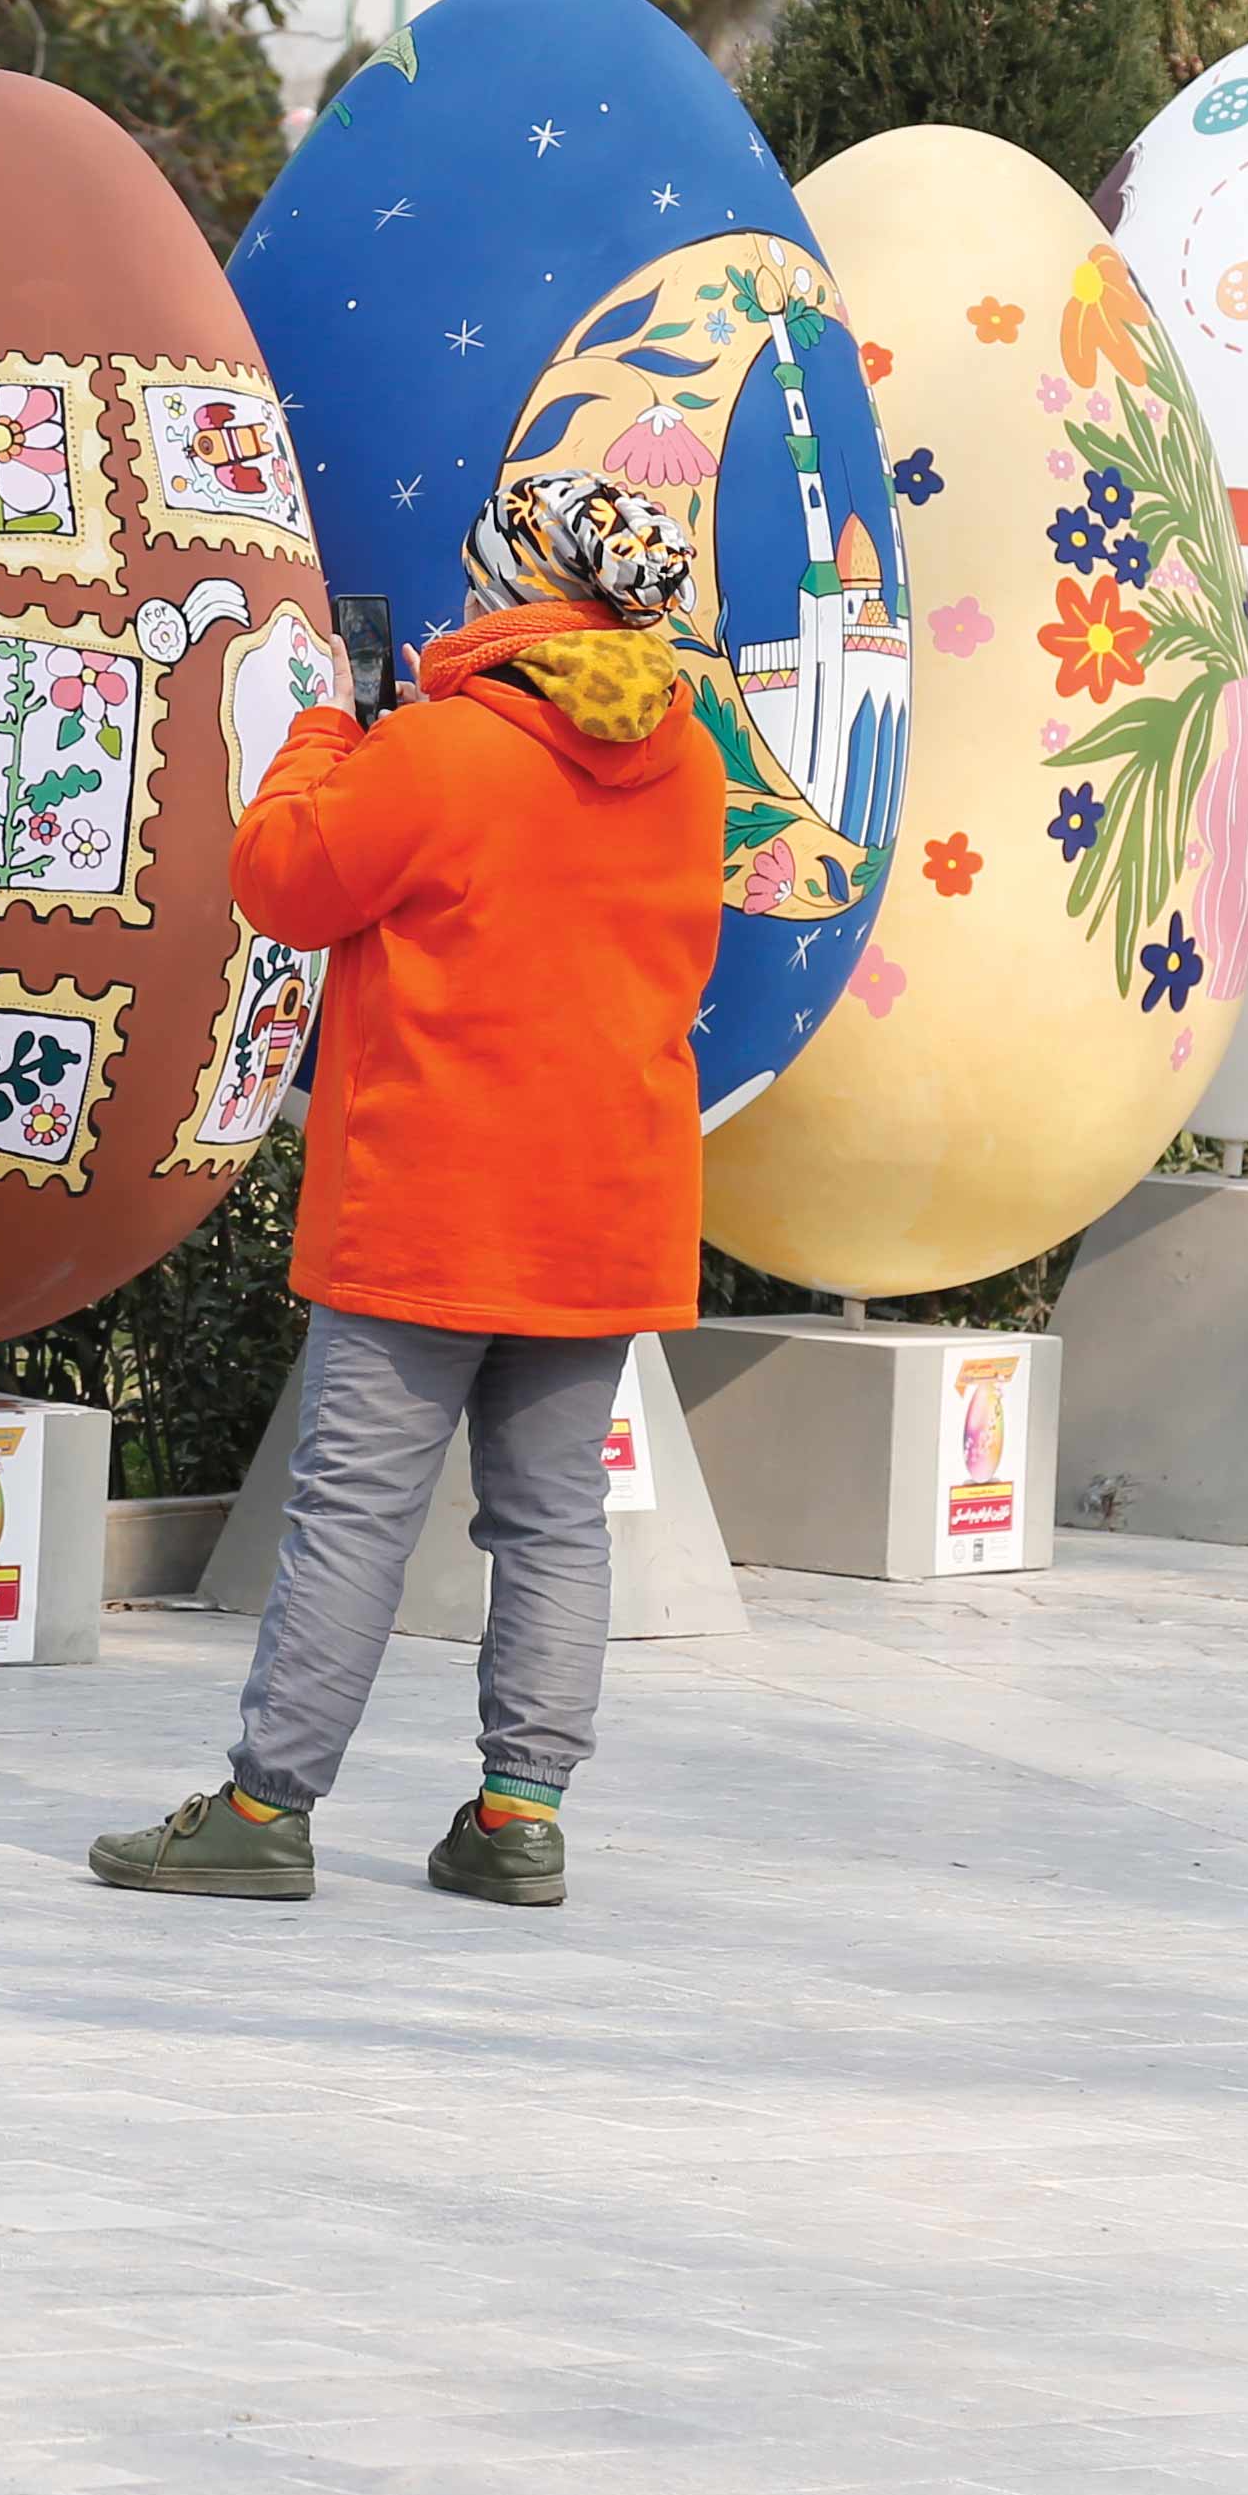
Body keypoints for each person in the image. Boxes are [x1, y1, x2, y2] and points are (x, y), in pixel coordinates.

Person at [93, 472, 727, 1912]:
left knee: (354, 1517)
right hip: (606, 1204)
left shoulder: (441, 752)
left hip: (434, 1204)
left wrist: (323, 730)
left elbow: (285, 882)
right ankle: (520, 1819)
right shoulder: (692, 766)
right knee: (555, 1519)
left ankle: (264, 1809)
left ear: (503, 594)